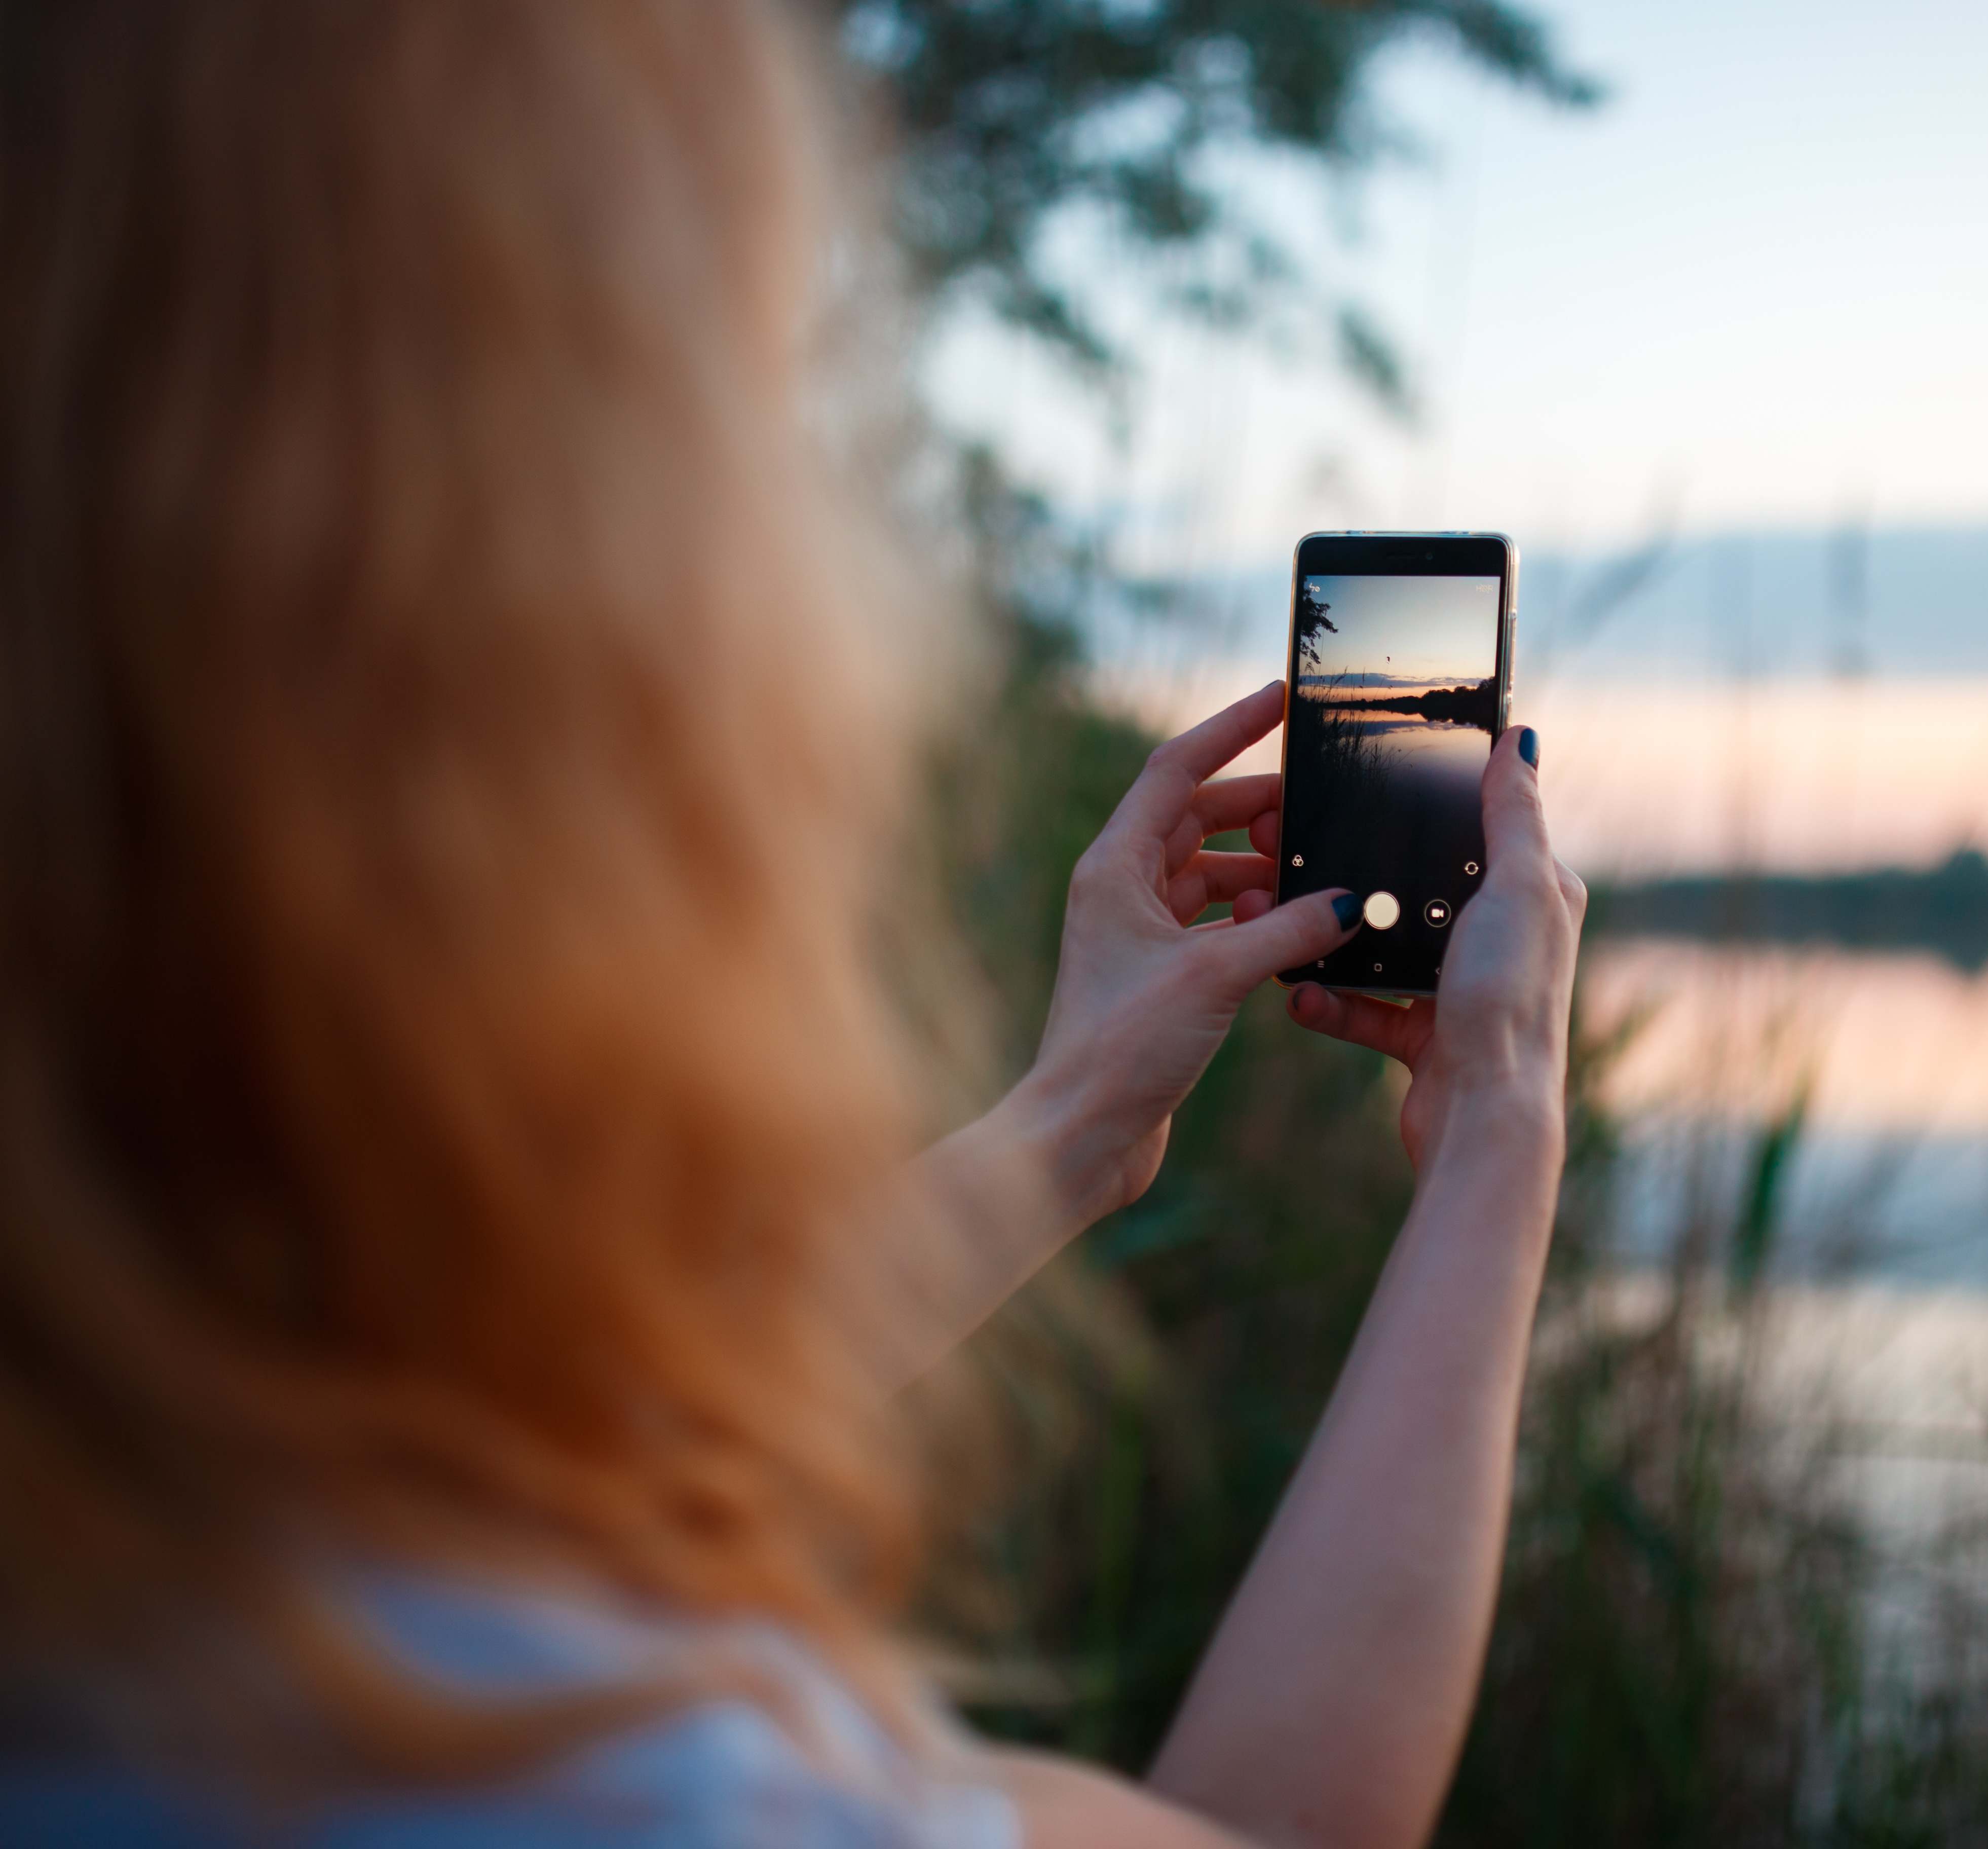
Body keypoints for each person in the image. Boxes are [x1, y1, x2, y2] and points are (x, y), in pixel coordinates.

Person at [0, 3, 1584, 1845]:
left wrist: (1075, 1120)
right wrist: (1502, 1138)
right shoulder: (582, 1778)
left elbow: (553, 1484)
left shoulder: (147, 1526)